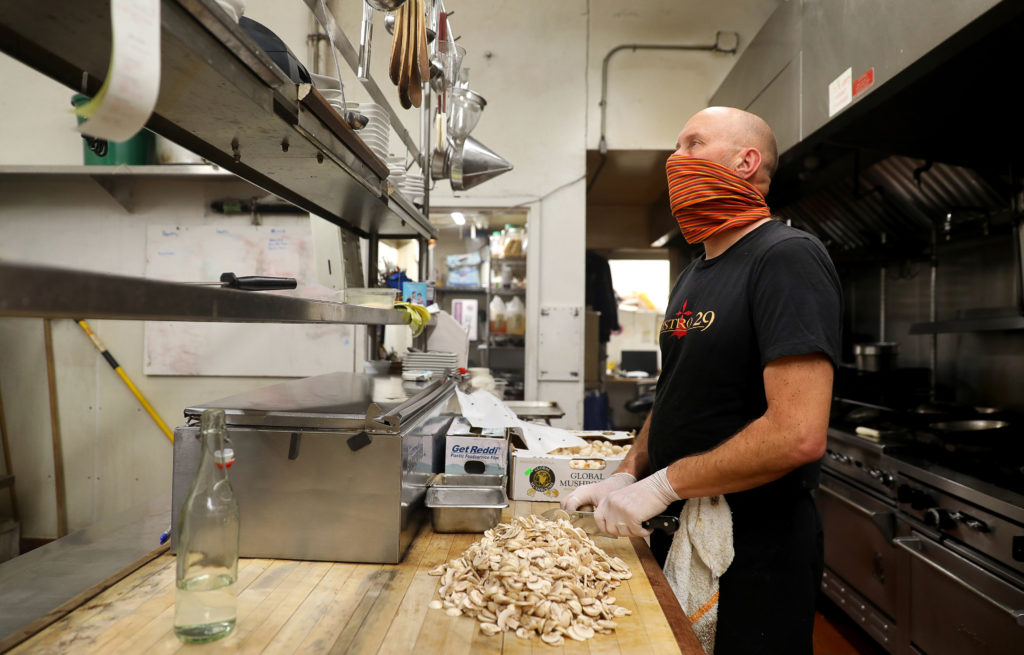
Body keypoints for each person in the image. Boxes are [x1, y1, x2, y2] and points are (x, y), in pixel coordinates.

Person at [561, 106, 842, 654]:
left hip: (753, 548)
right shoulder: (695, 271)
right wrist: (630, 471)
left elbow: (798, 434)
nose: (675, 160)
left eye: (693, 144)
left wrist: (663, 485)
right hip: (680, 523)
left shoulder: (786, 257)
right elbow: (675, 393)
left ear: (746, 162)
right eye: (676, 146)